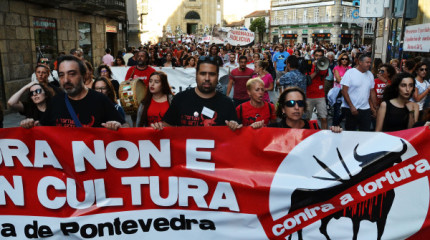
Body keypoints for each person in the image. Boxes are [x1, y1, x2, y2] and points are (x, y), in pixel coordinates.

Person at [20, 55, 127, 130]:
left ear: (84, 75)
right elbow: (43, 129)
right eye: (61, 75)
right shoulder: (56, 101)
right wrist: (30, 125)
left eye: (72, 74)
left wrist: (117, 126)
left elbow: (126, 127)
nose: (66, 80)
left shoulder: (100, 100)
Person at [151, 57, 240, 130]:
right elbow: (167, 125)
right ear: (196, 75)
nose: (207, 78)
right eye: (203, 74)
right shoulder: (180, 99)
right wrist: (159, 127)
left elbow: (236, 135)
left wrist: (234, 127)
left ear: (217, 77)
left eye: (212, 74)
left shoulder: (227, 104)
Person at [268, 87, 342, 132]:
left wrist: (335, 135)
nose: (297, 107)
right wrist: (257, 130)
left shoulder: (313, 127)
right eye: (291, 103)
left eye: (300, 103)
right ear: (283, 108)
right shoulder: (273, 130)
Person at [341, 54, 377, 131]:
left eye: (370, 62)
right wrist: (351, 106)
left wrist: (374, 107)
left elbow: (372, 91)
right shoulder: (350, 73)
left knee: (365, 132)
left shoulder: (370, 74)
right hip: (351, 109)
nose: (369, 64)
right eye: (367, 62)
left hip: (366, 109)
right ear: (360, 62)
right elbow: (344, 91)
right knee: (350, 132)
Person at [306, 49, 329, 129]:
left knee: (324, 118)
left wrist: (319, 66)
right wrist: (315, 70)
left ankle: (325, 135)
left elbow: (324, 75)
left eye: (320, 56)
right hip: (309, 96)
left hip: (320, 96)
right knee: (306, 119)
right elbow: (308, 79)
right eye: (316, 56)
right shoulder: (308, 66)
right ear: (313, 56)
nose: (318, 58)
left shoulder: (324, 66)